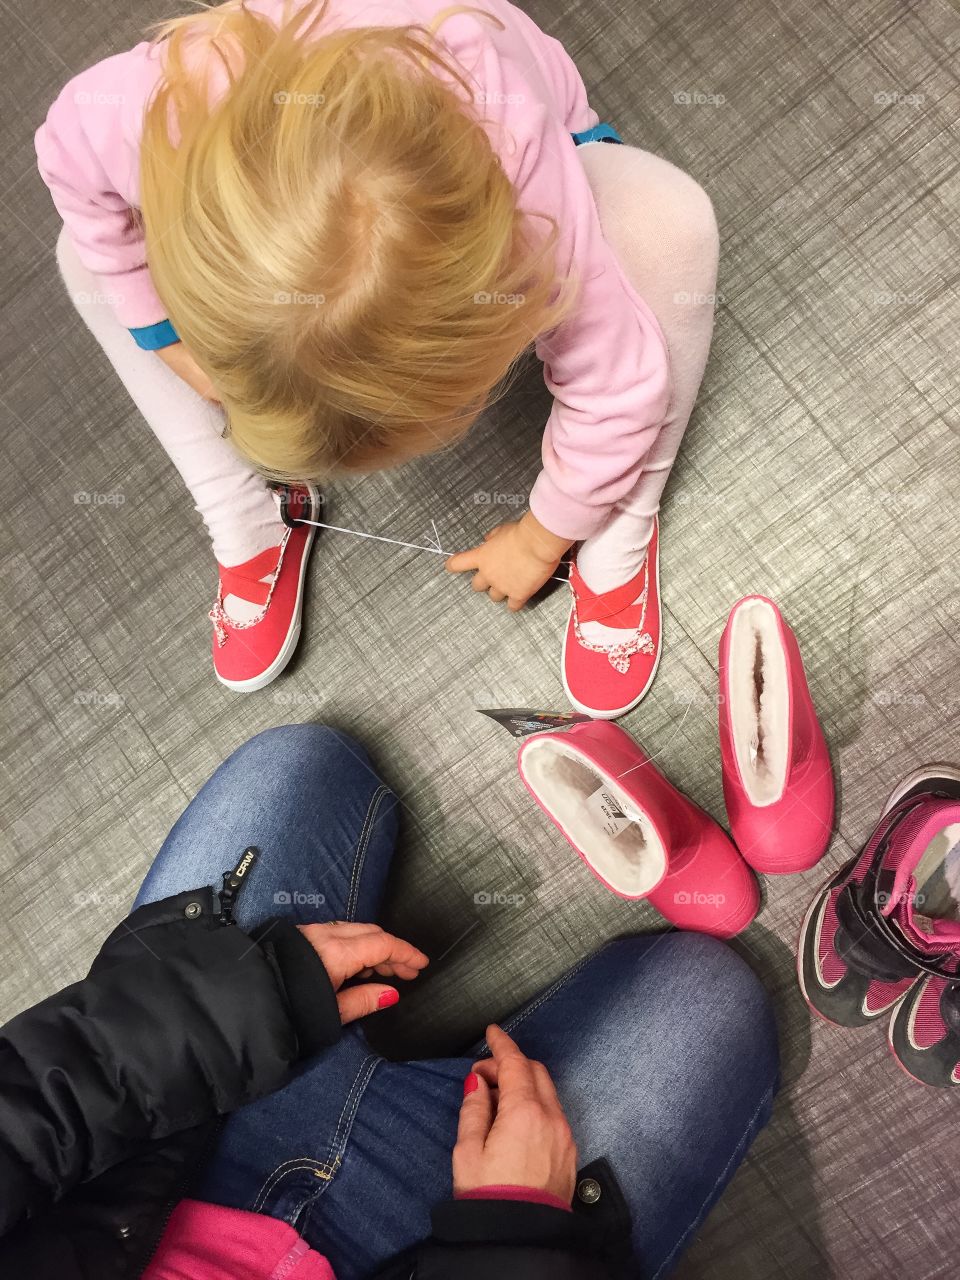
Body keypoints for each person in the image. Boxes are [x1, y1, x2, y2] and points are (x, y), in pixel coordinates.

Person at [36, 0, 719, 715]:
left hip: (526, 151)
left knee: (661, 220)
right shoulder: (132, 116)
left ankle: (619, 518)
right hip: (298, 157)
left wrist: (544, 535)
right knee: (83, 261)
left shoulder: (528, 215)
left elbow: (618, 388)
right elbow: (63, 159)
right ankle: (246, 511)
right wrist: (168, 342)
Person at [0, 723, 779, 1279]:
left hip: (153, 1163)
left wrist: (216, 1014)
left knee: (301, 768)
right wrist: (514, 1236)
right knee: (711, 1000)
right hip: (412, 1245)